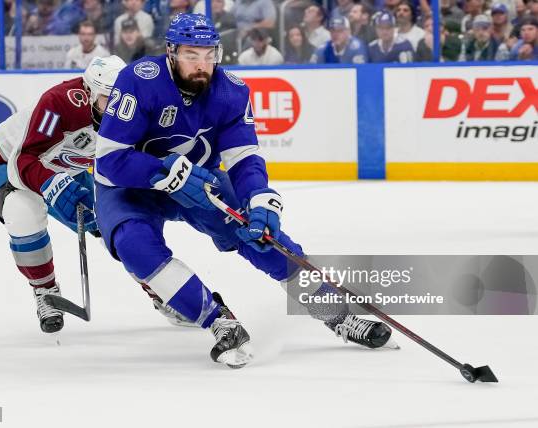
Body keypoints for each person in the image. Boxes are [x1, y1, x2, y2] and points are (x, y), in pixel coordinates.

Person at [94, 13, 395, 369]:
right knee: (134, 245)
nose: (202, 65)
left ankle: (337, 314)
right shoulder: (140, 80)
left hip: (197, 181)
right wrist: (165, 172)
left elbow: (244, 157)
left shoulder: (231, 91)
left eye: (209, 54)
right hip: (131, 185)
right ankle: (217, 319)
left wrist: (258, 197)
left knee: (262, 235)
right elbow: (109, 159)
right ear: (171, 52)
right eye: (192, 55)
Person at [0, 56, 126, 334]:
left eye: (122, 100)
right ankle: (45, 291)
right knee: (23, 211)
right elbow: (24, 161)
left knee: (119, 226)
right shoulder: (59, 104)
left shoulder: (126, 109)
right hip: (9, 166)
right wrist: (52, 185)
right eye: (109, 99)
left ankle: (159, 289)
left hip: (68, 167)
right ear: (91, 92)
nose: (118, 109)